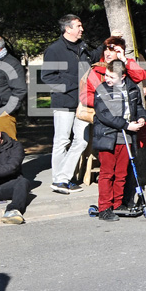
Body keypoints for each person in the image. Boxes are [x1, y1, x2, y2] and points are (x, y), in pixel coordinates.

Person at [91, 60, 146, 222]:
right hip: (108, 135)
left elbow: (138, 107)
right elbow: (104, 115)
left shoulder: (132, 88)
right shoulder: (102, 90)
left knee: (122, 173)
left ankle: (117, 203)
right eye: (106, 75)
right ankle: (104, 207)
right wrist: (126, 125)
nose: (107, 79)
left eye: (111, 77)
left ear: (122, 76)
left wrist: (142, 118)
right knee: (107, 173)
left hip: (126, 136)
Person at [41, 14, 92, 193]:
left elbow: (93, 61)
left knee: (82, 140)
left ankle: (62, 179)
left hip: (84, 103)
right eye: (78, 26)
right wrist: (73, 85)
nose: (82, 29)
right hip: (64, 102)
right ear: (67, 28)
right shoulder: (54, 50)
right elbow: (47, 77)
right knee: (62, 141)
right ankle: (59, 180)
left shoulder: (83, 47)